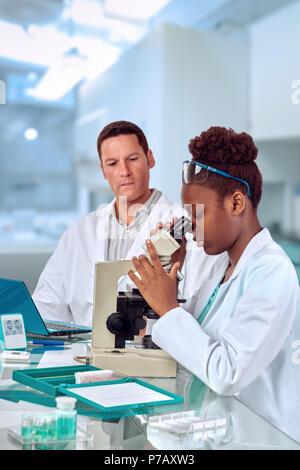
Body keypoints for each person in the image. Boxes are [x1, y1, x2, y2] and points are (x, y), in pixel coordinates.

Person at [128, 126, 300, 440]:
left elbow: (226, 372)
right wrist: (173, 272)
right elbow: (191, 343)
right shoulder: (218, 263)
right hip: (214, 429)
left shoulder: (272, 273)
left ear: (236, 204)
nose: (190, 229)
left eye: (197, 216)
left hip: (263, 439)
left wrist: (167, 307)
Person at [32, 121, 216, 327]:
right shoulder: (78, 233)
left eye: (133, 159)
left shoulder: (188, 229)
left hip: (154, 354)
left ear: (150, 159)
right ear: (103, 170)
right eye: (112, 163)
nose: (124, 171)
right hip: (84, 356)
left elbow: (199, 309)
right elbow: (45, 310)